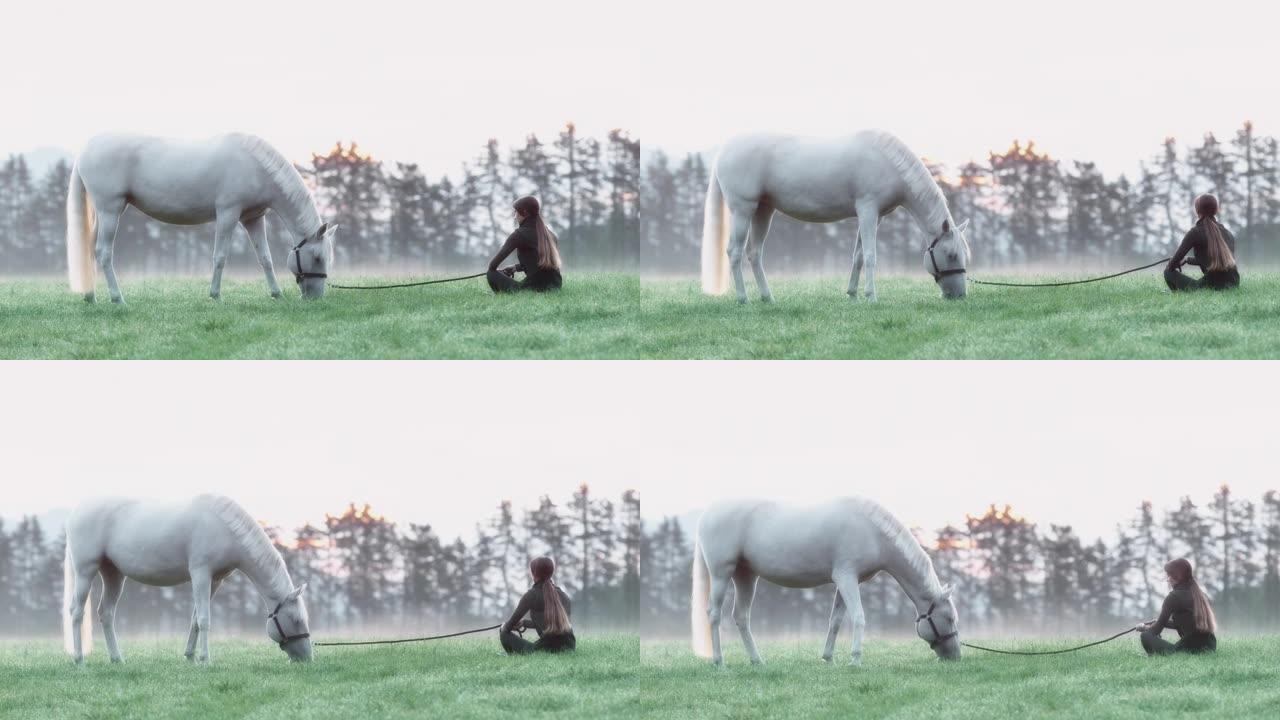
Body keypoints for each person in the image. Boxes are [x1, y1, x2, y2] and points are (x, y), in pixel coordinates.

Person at [1137, 558, 1218, 656]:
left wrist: (1144, 628)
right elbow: (1188, 624)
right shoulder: (1201, 595)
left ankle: (1155, 656)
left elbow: (1156, 630)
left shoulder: (1174, 597)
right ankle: (1156, 655)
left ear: (1175, 577)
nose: (1167, 579)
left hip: (1190, 649)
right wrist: (1161, 622)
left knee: (1146, 636)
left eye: (1168, 575)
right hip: (1210, 647)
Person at [499, 556, 575, 654]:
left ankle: (511, 655)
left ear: (533, 573)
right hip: (570, 648)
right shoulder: (564, 596)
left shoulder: (531, 595)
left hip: (545, 651)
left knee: (504, 632)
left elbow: (508, 627)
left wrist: (504, 626)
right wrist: (524, 623)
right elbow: (553, 626)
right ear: (551, 572)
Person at [487, 196, 563, 293]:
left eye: (516, 212)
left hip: (533, 290)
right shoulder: (550, 235)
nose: (515, 216)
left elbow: (492, 266)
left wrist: (501, 273)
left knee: (491, 273)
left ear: (524, 212)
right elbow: (539, 263)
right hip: (556, 288)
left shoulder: (519, 235)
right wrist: (515, 268)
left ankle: (499, 295)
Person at [1164, 194, 1239, 291]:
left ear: (1197, 211)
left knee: (1168, 272)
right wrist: (1187, 259)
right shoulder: (1227, 233)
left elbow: (1172, 265)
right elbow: (1212, 261)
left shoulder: (1195, 232)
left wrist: (1174, 260)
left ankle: (1176, 293)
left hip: (1210, 287)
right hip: (1234, 284)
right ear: (1216, 210)